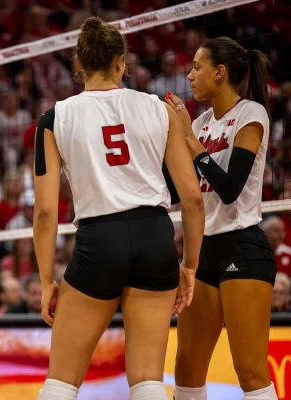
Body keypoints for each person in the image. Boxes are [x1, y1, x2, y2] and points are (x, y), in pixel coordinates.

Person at [32, 17, 205, 400]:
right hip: (156, 236)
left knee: (61, 380)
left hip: (100, 239)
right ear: (120, 63)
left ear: (78, 64)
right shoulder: (159, 110)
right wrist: (189, 266)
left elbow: (45, 212)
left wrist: (46, 281)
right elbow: (192, 198)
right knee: (146, 379)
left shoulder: (55, 117)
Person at [165, 37, 278, 400]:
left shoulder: (251, 114)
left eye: (197, 67)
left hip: (241, 247)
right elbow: (174, 190)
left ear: (220, 72)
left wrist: (189, 140)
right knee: (186, 370)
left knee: (249, 371)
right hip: (201, 252)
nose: (189, 75)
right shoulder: (197, 123)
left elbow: (230, 188)